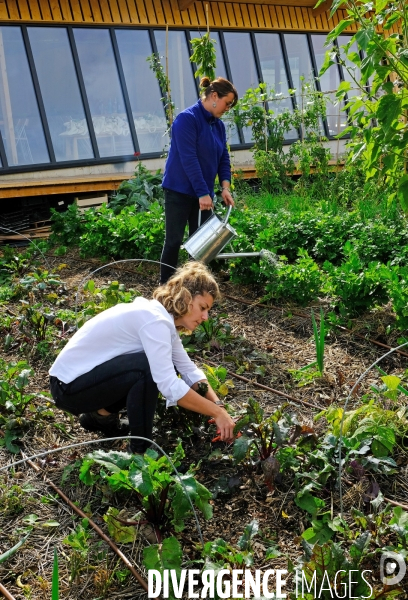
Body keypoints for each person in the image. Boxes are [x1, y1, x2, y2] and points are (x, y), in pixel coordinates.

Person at [49, 262, 235, 454]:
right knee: (145, 369)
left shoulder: (162, 322)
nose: (205, 316)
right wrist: (216, 413)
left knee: (150, 365)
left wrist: (218, 406)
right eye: (202, 307)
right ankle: (140, 453)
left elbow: (188, 370)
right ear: (185, 297)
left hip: (78, 383)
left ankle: (98, 418)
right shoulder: (154, 321)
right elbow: (168, 384)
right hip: (67, 387)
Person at [160, 76, 238, 284]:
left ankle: (193, 288)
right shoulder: (187, 119)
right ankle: (164, 289)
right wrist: (202, 193)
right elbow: (189, 159)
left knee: (202, 245)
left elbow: (223, 157)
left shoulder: (218, 126)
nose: (228, 108)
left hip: (203, 194)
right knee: (174, 241)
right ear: (214, 96)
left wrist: (225, 186)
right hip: (179, 191)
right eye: (227, 103)